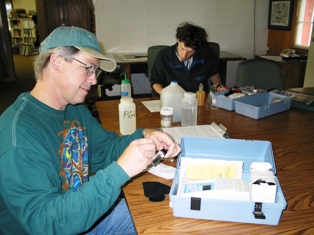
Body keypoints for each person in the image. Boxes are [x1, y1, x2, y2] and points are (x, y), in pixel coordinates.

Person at [0, 26, 181, 235]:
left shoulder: (74, 109)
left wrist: (145, 135)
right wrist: (119, 172)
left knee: (162, 217)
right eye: (88, 68)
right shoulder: (19, 136)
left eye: (95, 71)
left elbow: (104, 149)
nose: (94, 79)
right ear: (57, 62)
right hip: (58, 226)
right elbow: (46, 224)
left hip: (83, 213)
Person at [149, 22, 227, 96]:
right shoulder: (163, 56)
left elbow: (214, 73)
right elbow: (155, 82)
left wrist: (219, 87)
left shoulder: (206, 53)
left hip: (197, 99)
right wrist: (165, 94)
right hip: (170, 100)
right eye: (182, 48)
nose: (184, 55)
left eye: (190, 52)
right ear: (178, 39)